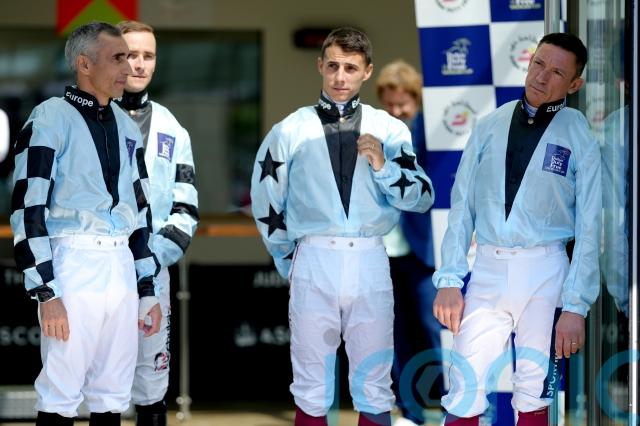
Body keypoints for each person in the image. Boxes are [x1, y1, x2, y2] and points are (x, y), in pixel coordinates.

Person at [250, 27, 434, 426]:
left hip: (369, 257)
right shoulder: (289, 129)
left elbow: (421, 197)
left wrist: (384, 167)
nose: (339, 76)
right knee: (310, 381)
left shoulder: (390, 129)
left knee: (374, 380)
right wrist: (290, 260)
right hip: (313, 257)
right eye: (332, 66)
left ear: (367, 72)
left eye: (350, 68)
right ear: (320, 66)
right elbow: (266, 201)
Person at [431, 33, 601, 426]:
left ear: (574, 84)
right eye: (539, 63)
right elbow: (462, 207)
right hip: (488, 268)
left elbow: (591, 227)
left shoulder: (580, 135)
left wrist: (575, 306)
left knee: (533, 390)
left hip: (547, 272)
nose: (542, 76)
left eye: (557, 72)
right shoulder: (490, 124)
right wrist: (450, 279)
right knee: (464, 386)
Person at [10, 22, 161, 426]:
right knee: (61, 391)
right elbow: (28, 207)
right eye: (118, 58)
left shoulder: (127, 125)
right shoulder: (49, 117)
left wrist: (146, 289)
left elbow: (140, 211)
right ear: (84, 64)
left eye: (129, 58)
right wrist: (46, 292)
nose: (128, 68)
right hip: (72, 262)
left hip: (120, 265)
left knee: (113, 393)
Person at [115, 20, 199, 426]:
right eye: (131, 54)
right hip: (97, 270)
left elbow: (186, 207)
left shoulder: (172, 128)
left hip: (154, 273)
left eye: (148, 55)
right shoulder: (83, 119)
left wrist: (151, 259)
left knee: (151, 382)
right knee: (100, 383)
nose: (139, 64)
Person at [375, 60, 442, 426]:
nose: (397, 111)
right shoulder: (373, 134)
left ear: (417, 100)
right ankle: (409, 412)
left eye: (403, 104)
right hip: (383, 251)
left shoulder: (433, 134)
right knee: (393, 333)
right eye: (390, 104)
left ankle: (452, 408)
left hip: (424, 249)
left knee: (435, 329)